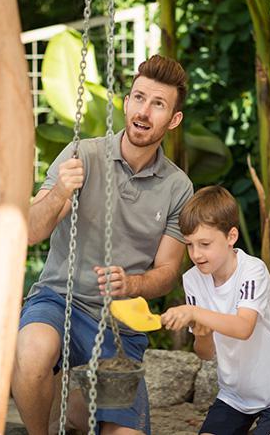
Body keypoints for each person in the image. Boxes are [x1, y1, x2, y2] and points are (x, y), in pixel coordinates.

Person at [13, 55, 194, 435]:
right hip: (58, 301)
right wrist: (60, 190)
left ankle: (76, 402)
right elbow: (29, 232)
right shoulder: (83, 153)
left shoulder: (178, 188)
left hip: (120, 323)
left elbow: (166, 273)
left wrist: (132, 285)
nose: (144, 112)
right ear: (126, 102)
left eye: (158, 104)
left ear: (173, 119)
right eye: (139, 98)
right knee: (31, 352)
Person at [161, 186, 270, 435]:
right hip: (234, 396)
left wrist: (195, 313)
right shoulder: (192, 280)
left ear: (231, 236)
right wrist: (202, 334)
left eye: (205, 244)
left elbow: (243, 327)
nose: (196, 254)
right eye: (189, 245)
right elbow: (205, 353)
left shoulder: (252, 270)